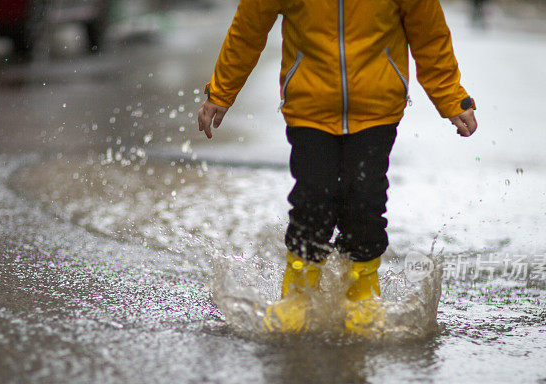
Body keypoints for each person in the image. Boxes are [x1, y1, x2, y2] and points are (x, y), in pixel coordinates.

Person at [197, 0, 477, 334]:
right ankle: (298, 295)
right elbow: (247, 31)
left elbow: (429, 36)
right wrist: (221, 93)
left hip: (377, 110)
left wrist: (450, 97)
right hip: (309, 109)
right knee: (313, 199)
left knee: (365, 200)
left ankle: (361, 294)